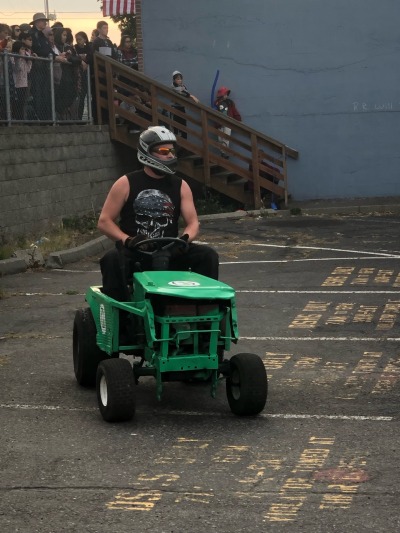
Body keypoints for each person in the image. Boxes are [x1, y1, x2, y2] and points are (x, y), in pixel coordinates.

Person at [98, 125, 219, 303]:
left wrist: (183, 241)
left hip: (169, 252)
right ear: (147, 152)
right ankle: (122, 314)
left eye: (172, 150)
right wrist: (128, 240)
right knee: (111, 259)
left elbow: (193, 223)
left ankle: (202, 310)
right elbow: (104, 221)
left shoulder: (181, 186)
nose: (170, 155)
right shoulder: (126, 183)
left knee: (207, 255)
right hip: (136, 253)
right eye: (163, 151)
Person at [214, 86, 241, 159]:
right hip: (219, 123)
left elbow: (234, 111)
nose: (226, 95)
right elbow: (214, 112)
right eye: (225, 94)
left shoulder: (230, 102)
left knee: (226, 137)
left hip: (227, 123)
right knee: (220, 138)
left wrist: (238, 119)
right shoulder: (217, 103)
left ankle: (224, 152)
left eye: (227, 94)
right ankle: (222, 152)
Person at [170, 70, 199, 140]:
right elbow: (182, 92)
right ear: (174, 80)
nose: (180, 80)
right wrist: (192, 96)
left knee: (183, 128)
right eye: (178, 79)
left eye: (180, 79)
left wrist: (187, 93)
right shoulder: (173, 86)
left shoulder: (183, 86)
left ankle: (184, 148)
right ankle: (175, 145)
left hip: (181, 108)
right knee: (175, 128)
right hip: (175, 109)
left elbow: (185, 91)